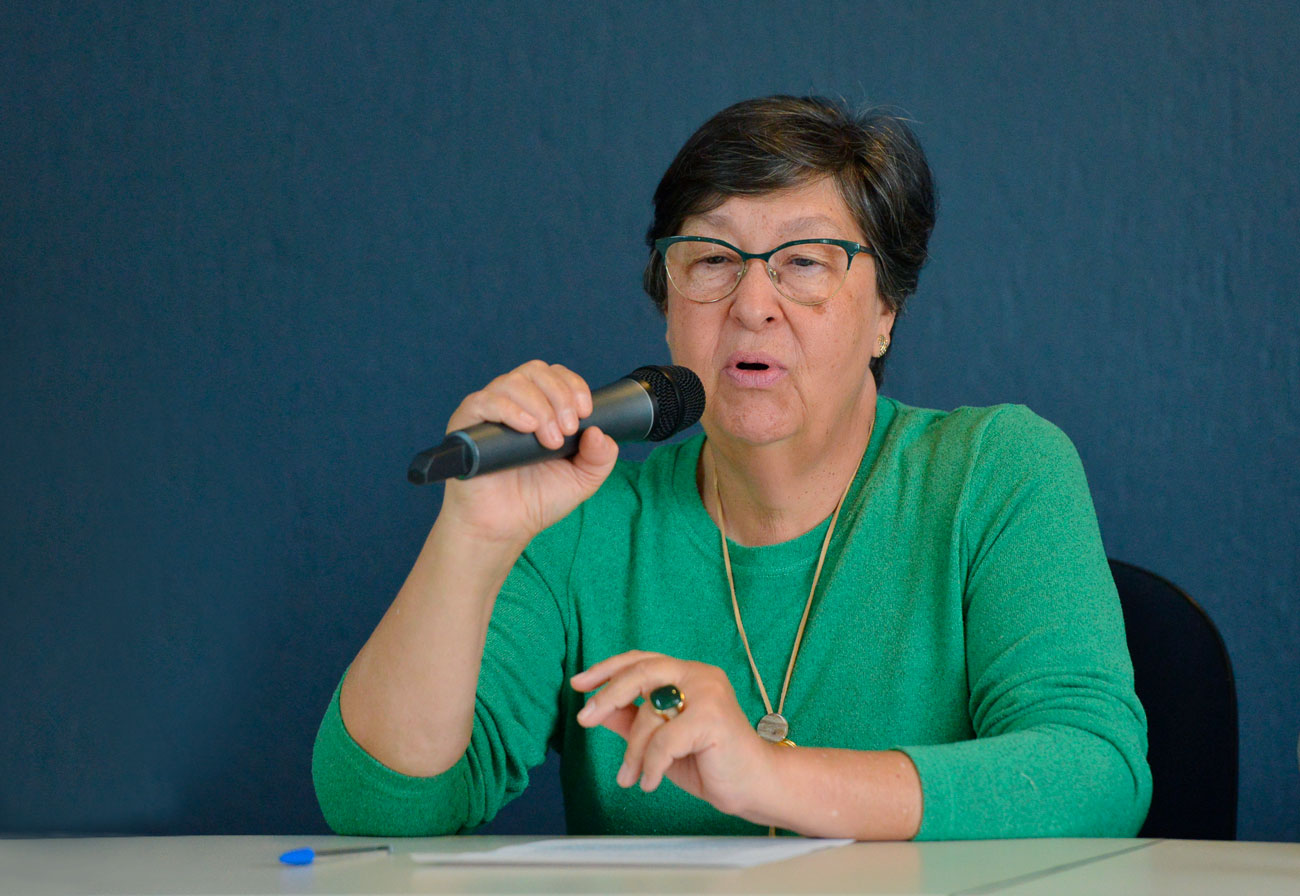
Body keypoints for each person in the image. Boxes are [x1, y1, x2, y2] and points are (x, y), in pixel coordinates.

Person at [312, 95, 1151, 840]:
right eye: (712, 260)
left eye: (805, 261)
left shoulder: (995, 472)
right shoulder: (581, 517)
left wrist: (770, 776)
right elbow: (381, 806)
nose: (752, 305)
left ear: (886, 312)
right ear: (668, 306)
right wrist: (472, 536)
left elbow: (1095, 769)